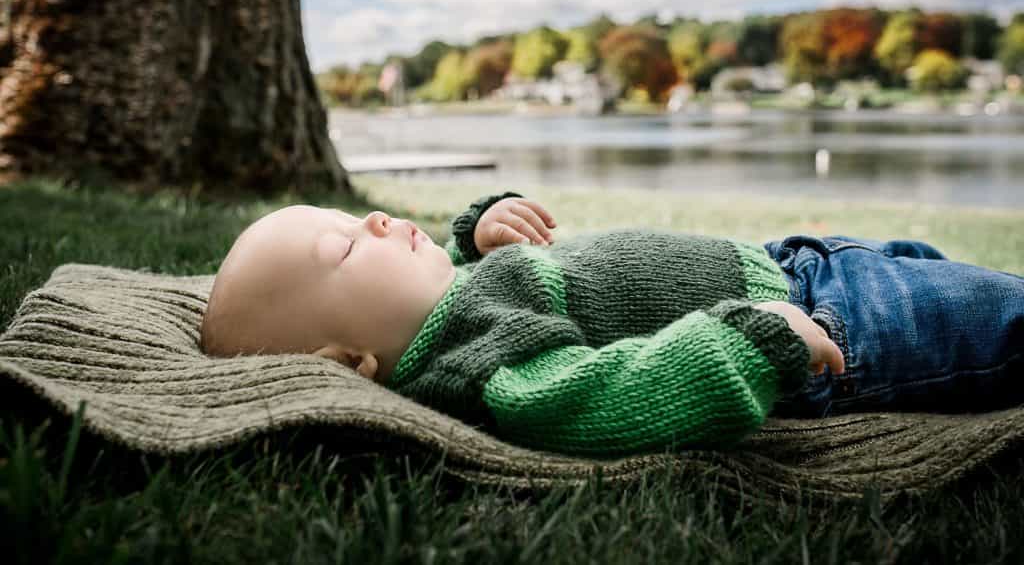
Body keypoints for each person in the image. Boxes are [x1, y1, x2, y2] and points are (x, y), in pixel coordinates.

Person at [200, 191, 1024, 458]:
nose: (375, 218)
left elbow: (461, 269)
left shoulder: (451, 300)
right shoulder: (491, 365)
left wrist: (481, 227)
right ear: (351, 359)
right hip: (830, 319)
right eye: (344, 245)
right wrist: (752, 342)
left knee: (976, 283)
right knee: (1001, 318)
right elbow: (614, 393)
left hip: (802, 259)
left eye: (356, 214)